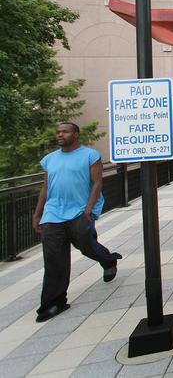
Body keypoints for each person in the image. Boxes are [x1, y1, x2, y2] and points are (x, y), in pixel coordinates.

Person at [32, 122, 122, 322]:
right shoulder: (49, 160)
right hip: (52, 214)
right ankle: (53, 303)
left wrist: (88, 211)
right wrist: (38, 214)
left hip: (79, 212)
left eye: (65, 131)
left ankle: (108, 260)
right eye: (58, 132)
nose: (60, 134)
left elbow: (97, 182)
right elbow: (46, 187)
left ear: (76, 134)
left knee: (88, 246)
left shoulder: (90, 156)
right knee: (53, 258)